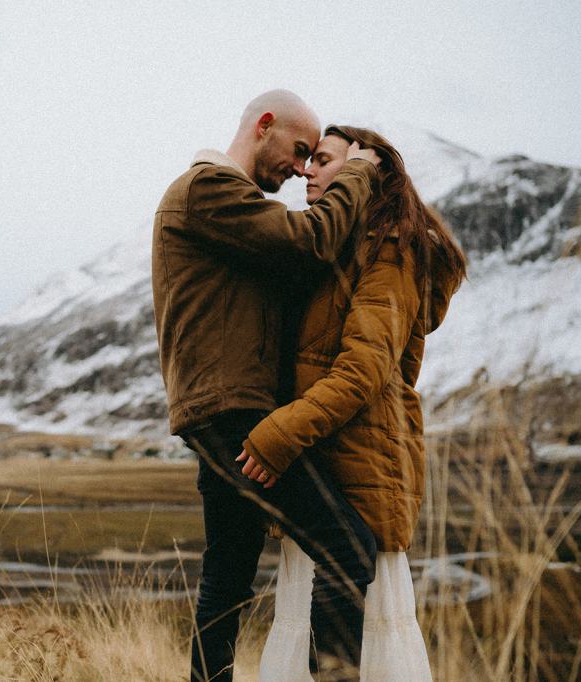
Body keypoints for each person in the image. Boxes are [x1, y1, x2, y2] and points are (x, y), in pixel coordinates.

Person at [151, 90, 382, 681]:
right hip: (234, 414)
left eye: (314, 159)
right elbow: (311, 242)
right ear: (264, 125)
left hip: (224, 410)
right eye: (300, 150)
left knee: (229, 569)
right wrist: (356, 172)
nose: (302, 168)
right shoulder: (208, 189)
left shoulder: (237, 211)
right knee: (349, 547)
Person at [240, 125, 468, 680]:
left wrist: (277, 435)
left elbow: (363, 369)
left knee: (359, 654)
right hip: (323, 467)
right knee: (314, 646)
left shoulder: (391, 250)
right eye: (307, 160)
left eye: (322, 160)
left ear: (367, 170)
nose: (306, 172)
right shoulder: (335, 249)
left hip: (361, 474)